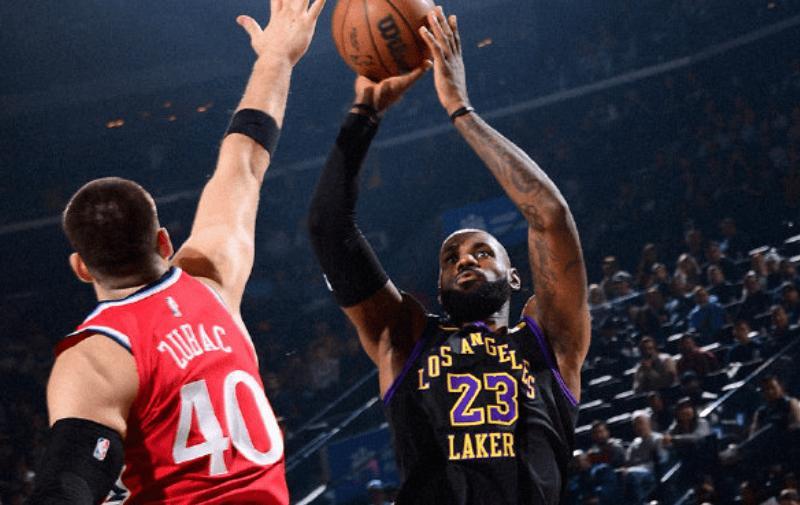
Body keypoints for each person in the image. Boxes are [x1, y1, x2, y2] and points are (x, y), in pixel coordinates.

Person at [28, 1, 326, 502]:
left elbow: (68, 486)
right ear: (163, 241)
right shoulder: (213, 279)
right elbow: (244, 159)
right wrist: (277, 58)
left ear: (80, 268)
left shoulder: (96, 358)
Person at [307, 6, 590, 504]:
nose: (465, 260)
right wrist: (363, 115)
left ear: (515, 277)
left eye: (483, 252)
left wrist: (461, 109)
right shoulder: (407, 339)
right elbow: (329, 230)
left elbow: (550, 216)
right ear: (438, 289)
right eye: (451, 257)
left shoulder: (551, 340)